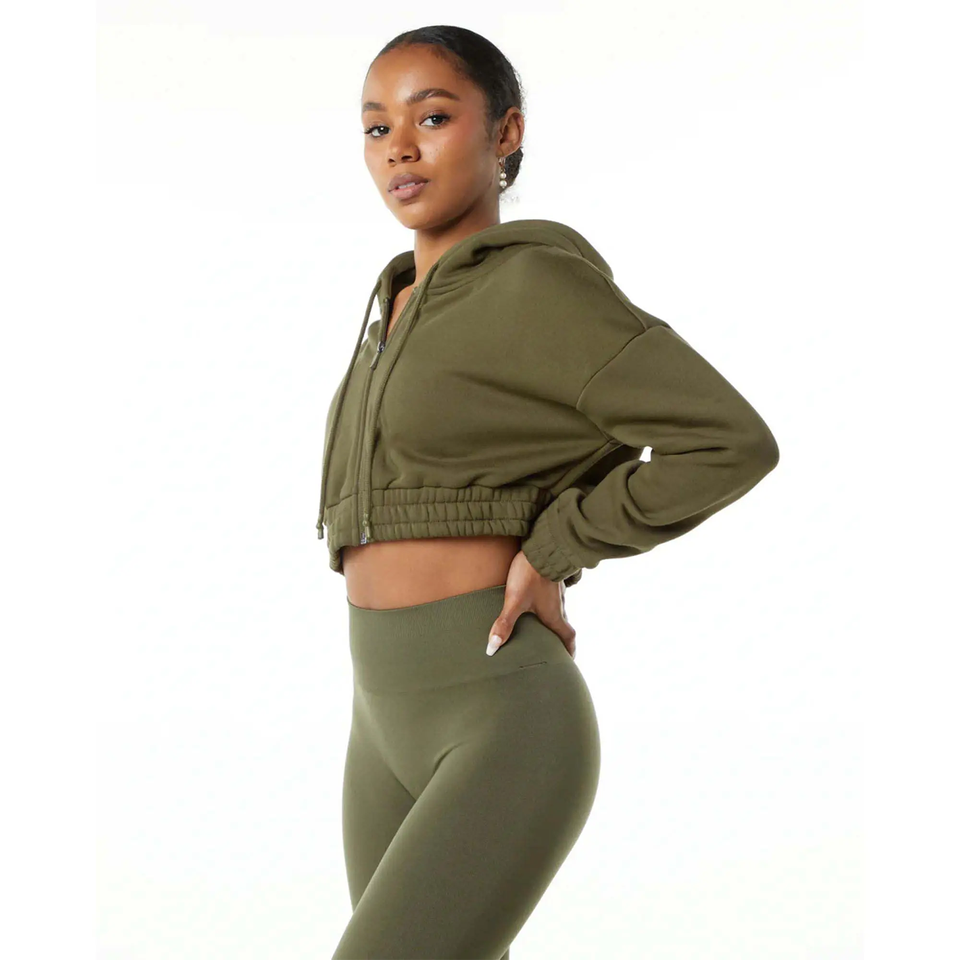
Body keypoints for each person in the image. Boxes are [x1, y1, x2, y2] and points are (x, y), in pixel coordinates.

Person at [316, 25, 780, 960]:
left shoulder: (536, 284)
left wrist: (558, 544)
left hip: (499, 714)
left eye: (431, 117)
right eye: (376, 128)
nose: (399, 147)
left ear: (505, 131)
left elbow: (728, 441)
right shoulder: (391, 309)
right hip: (378, 717)